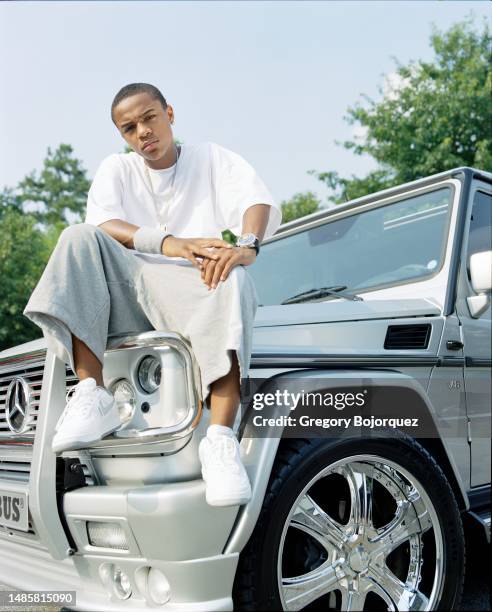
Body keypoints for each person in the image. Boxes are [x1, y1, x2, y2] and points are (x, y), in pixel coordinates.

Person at [23, 82, 282, 507]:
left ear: (170, 114)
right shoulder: (117, 170)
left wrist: (248, 245)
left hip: (195, 287)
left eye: (149, 118)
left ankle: (219, 441)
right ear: (123, 137)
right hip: (131, 287)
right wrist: (170, 243)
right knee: (76, 236)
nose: (142, 132)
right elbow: (103, 225)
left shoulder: (209, 158)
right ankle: (92, 393)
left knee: (232, 279)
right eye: (129, 128)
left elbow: (256, 200)